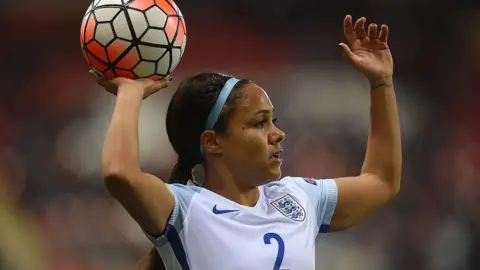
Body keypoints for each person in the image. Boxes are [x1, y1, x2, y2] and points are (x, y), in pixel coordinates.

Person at [91, 15, 401, 270]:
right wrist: (130, 91)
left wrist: (381, 83)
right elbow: (119, 172)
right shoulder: (184, 210)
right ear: (213, 142)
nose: (278, 134)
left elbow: (381, 181)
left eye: (274, 121)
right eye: (259, 123)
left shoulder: (299, 198)